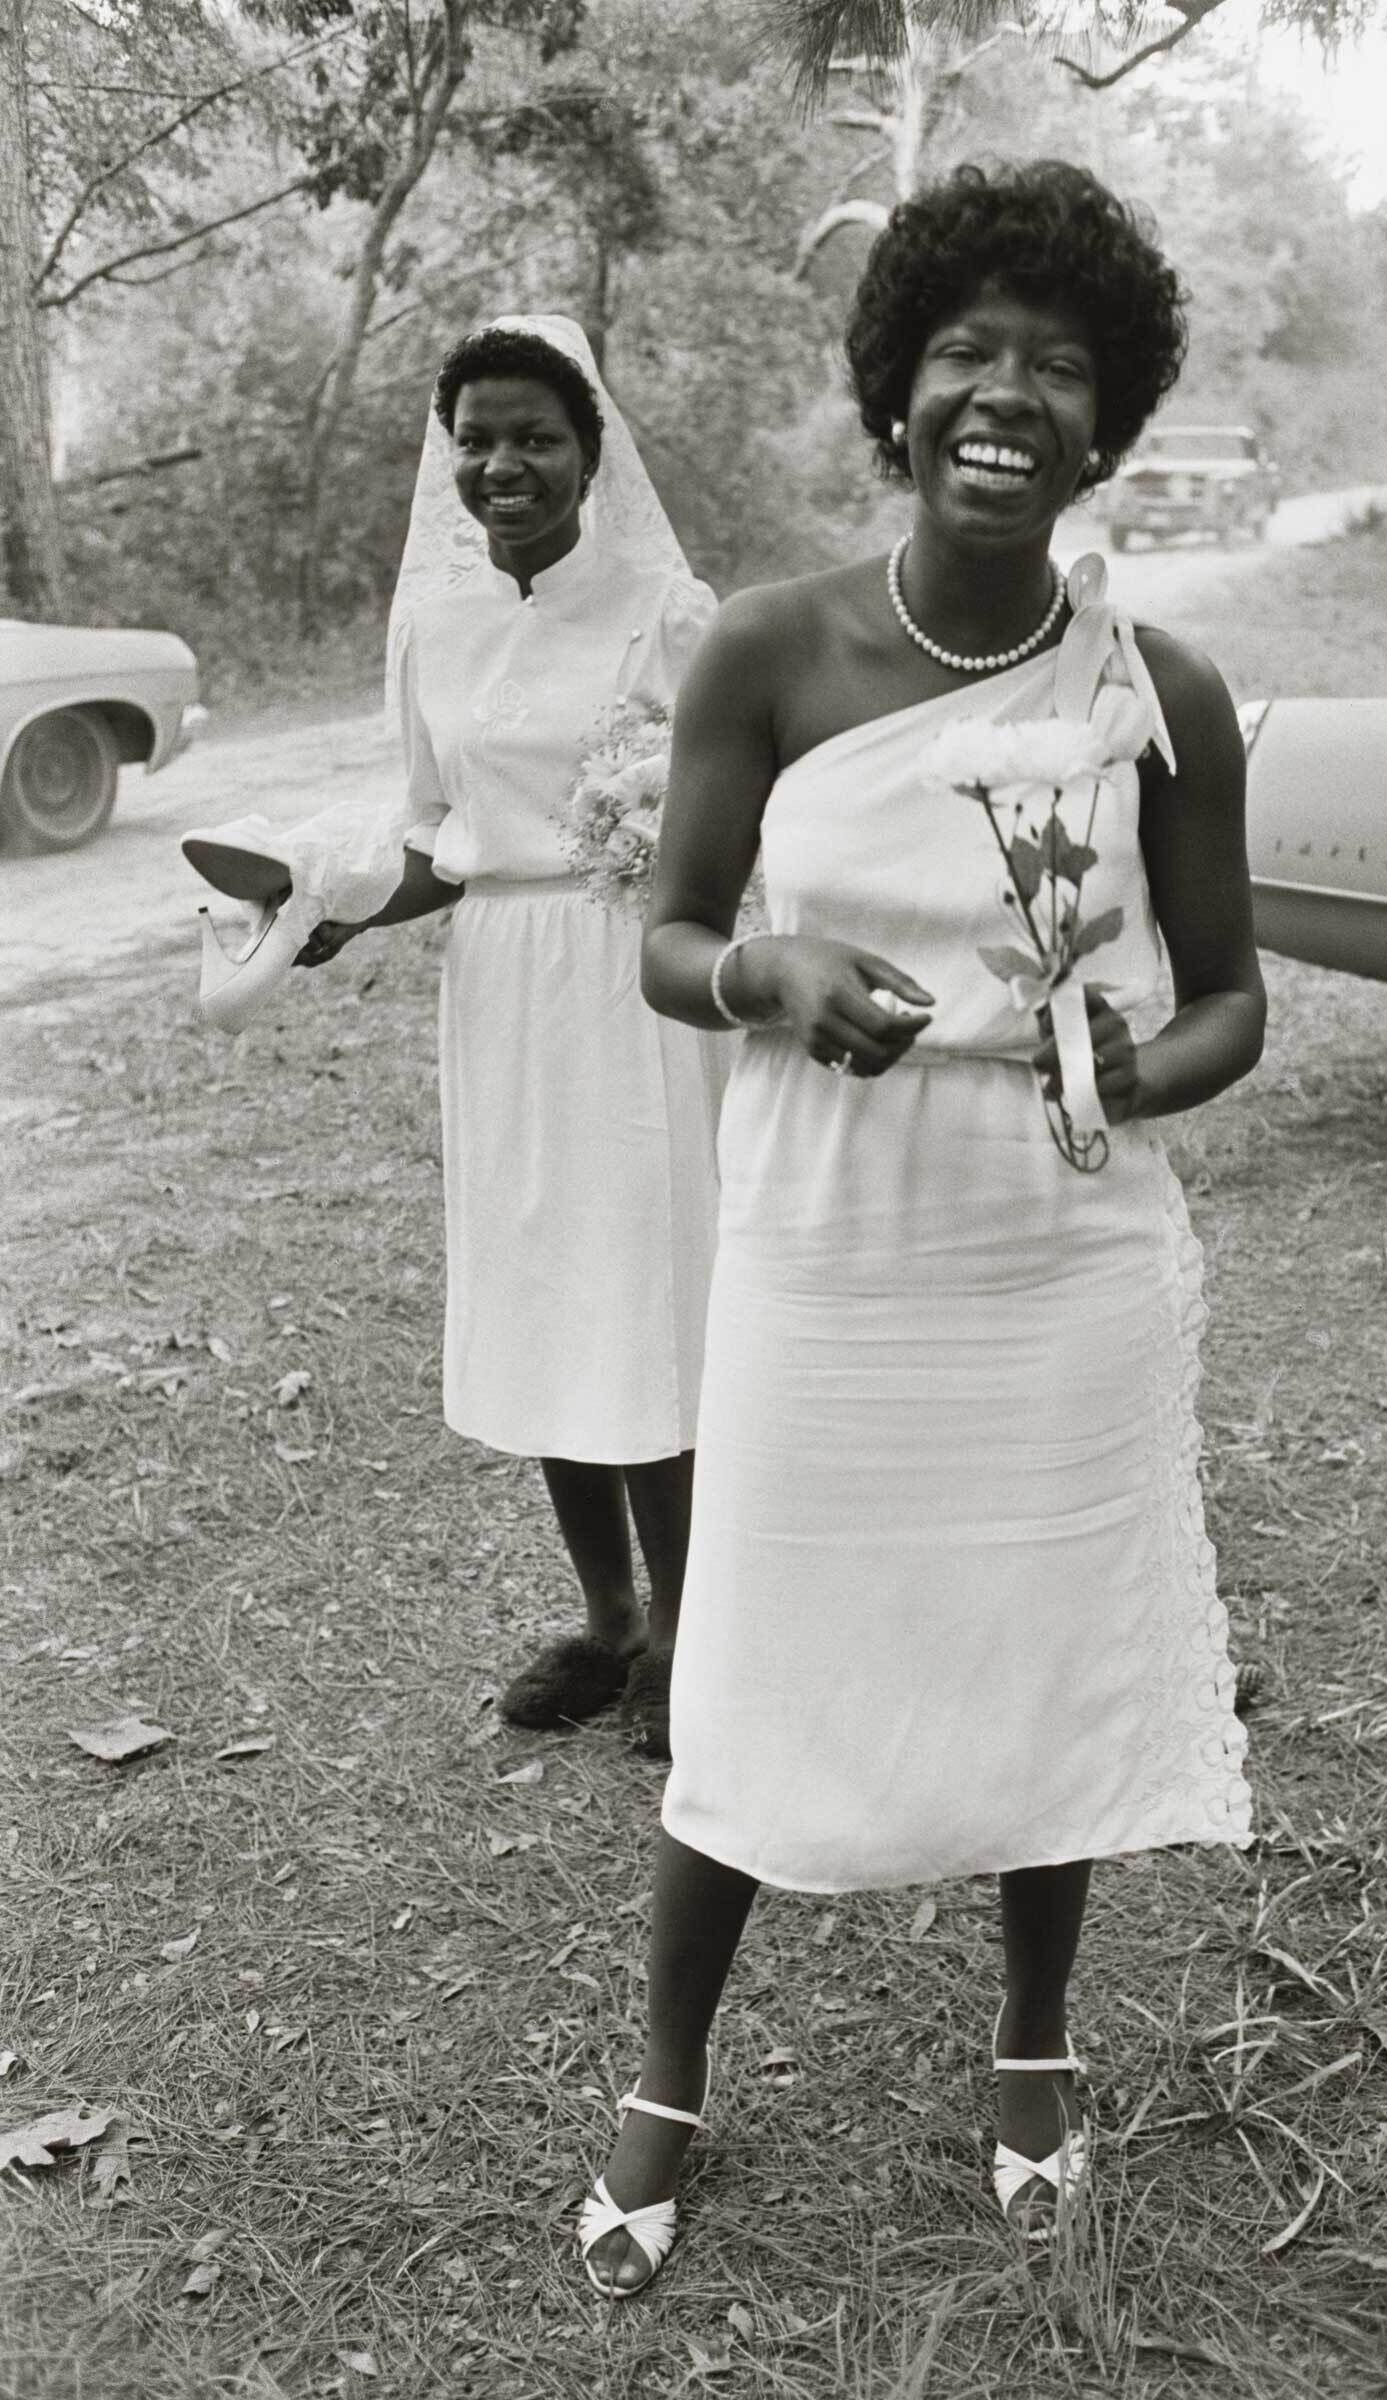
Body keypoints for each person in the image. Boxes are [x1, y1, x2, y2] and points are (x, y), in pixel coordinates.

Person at [574, 163, 1266, 2295]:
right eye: (964, 348)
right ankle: (669, 2078)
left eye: (1057, 366)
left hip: (1053, 1247)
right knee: (761, 1645)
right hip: (826, 1241)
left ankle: (1033, 2053)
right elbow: (671, 941)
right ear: (899, 390)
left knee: (1038, 1641)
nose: (1006, 392)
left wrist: (1145, 1068)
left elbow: (1237, 996)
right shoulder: (769, 650)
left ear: (1106, 420)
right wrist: (765, 980)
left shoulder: (1165, 691)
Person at [184, 317, 726, 1759]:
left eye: (534, 436)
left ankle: (688, 1628)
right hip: (503, 990)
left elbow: (731, 816)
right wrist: (332, 911)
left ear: (590, 452)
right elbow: (438, 838)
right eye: (475, 438)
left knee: (647, 1299)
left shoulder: (668, 610)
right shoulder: (431, 622)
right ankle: (607, 1620)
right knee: (549, 1289)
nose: (502, 464)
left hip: (632, 979)